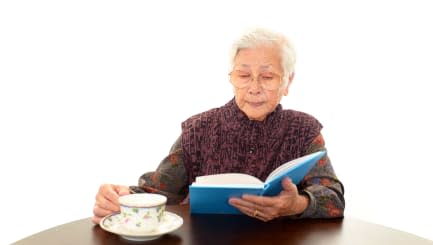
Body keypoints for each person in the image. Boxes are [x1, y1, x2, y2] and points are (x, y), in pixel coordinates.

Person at [92, 28, 345, 224]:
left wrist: (297, 204)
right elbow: (159, 191)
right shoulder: (198, 129)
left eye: (267, 77)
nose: (254, 87)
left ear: (288, 81)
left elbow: (334, 199)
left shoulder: (304, 130)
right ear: (232, 77)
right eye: (244, 75)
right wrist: (120, 196)